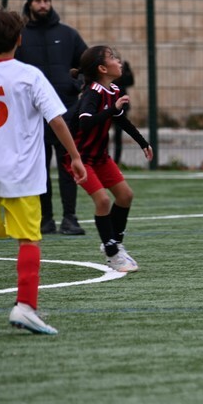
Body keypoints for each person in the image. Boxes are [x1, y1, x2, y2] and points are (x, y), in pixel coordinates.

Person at [0, 9, 87, 334]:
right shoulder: (29, 75)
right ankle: (25, 307)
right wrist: (74, 156)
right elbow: (57, 120)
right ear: (19, 40)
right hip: (20, 176)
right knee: (29, 239)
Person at [65, 46, 153, 272]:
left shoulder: (113, 90)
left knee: (125, 196)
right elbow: (85, 122)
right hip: (79, 158)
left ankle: (115, 243)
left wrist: (143, 142)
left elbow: (121, 120)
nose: (119, 61)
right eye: (113, 58)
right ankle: (112, 252)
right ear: (102, 68)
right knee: (103, 201)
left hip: (100, 157)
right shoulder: (92, 92)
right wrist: (112, 109)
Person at [14, 0, 88, 236]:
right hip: (33, 116)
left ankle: (70, 218)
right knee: (39, 169)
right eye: (38, 0)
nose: (43, 4)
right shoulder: (20, 36)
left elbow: (87, 63)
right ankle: (45, 218)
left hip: (66, 111)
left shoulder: (68, 35)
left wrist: (76, 84)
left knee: (69, 166)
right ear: (29, 3)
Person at [112, 60, 135, 165]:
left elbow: (130, 82)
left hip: (121, 108)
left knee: (118, 134)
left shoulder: (122, 72)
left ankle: (116, 161)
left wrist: (127, 71)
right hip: (108, 107)